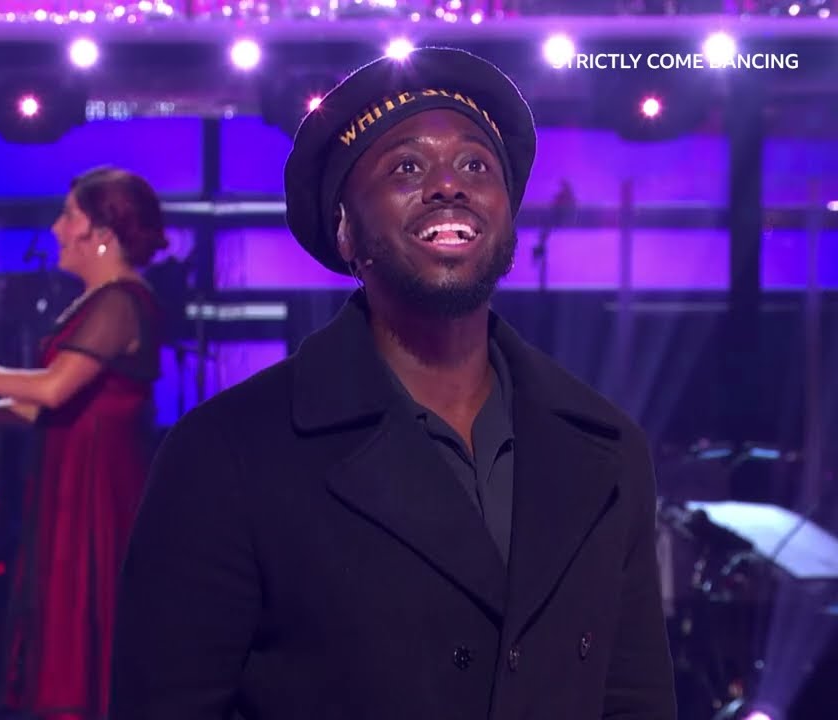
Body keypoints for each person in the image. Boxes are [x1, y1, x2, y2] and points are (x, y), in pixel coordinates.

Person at [110, 48, 678, 719]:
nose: (449, 185)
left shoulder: (607, 450)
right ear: (345, 232)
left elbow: (635, 701)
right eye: (407, 167)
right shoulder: (225, 454)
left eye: (476, 165)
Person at [0, 166, 166, 720]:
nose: (57, 229)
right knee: (64, 615)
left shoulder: (120, 302)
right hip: (71, 485)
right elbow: (44, 405)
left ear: (101, 231)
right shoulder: (96, 302)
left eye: (68, 216)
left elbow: (55, 388)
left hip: (98, 492)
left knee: (89, 615)